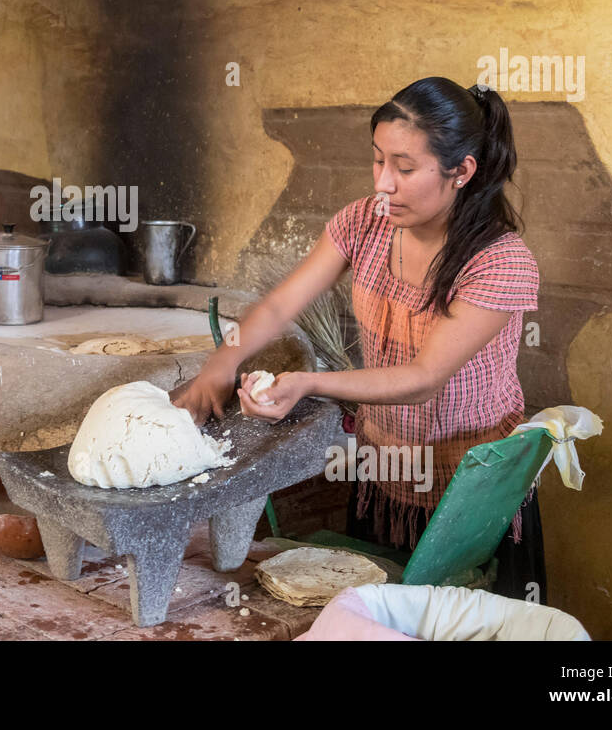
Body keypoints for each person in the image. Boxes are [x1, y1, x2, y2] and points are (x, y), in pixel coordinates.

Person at [171, 77, 546, 602]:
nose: (384, 185)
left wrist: (304, 383)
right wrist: (221, 363)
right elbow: (282, 304)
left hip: (469, 493)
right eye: (378, 161)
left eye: (405, 168)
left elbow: (422, 380)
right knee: (374, 615)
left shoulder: (498, 263)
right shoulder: (364, 224)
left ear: (462, 171)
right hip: (385, 473)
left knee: (450, 625)